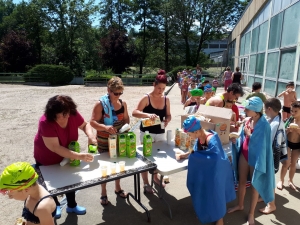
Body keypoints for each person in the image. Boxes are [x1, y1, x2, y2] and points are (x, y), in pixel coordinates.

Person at [34, 95, 95, 218]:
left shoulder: (71, 112)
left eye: (68, 113)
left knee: (71, 179)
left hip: (68, 153)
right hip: (47, 157)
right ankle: (55, 206)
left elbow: (84, 125)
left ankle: (72, 206)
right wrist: (79, 156)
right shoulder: (45, 122)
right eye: (63, 114)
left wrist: (90, 136)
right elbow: (56, 148)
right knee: (51, 185)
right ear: (53, 114)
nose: (67, 116)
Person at [179, 116, 235, 225]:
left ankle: (220, 219)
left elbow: (216, 159)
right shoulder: (200, 137)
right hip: (207, 172)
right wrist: (186, 155)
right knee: (203, 191)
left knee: (216, 194)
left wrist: (195, 157)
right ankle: (205, 212)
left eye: (190, 134)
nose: (190, 137)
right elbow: (196, 150)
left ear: (196, 131)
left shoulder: (211, 139)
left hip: (216, 172)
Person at [228, 97, 275, 225]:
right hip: (244, 154)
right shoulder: (248, 120)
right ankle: (240, 205)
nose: (245, 110)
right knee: (241, 182)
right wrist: (235, 140)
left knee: (255, 187)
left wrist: (249, 135)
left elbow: (264, 145)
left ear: (255, 111)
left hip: (256, 158)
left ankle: (251, 213)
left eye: (247, 109)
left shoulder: (264, 125)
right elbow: (242, 138)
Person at [90, 76, 129, 205]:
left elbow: (126, 119)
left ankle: (117, 187)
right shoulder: (100, 104)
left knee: (119, 165)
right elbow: (92, 122)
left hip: (118, 140)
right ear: (108, 90)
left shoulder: (123, 104)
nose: (117, 95)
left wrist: (126, 127)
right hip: (103, 141)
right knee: (104, 169)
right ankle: (103, 192)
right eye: (115, 93)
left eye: (120, 93)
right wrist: (105, 127)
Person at [132, 70, 172, 193]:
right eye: (159, 88)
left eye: (163, 88)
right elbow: (135, 112)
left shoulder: (166, 99)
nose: (161, 91)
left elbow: (169, 115)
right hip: (147, 133)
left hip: (160, 133)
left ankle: (155, 177)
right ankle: (145, 183)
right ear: (154, 85)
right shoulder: (146, 98)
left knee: (158, 158)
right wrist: (148, 115)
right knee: (146, 157)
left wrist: (167, 120)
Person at [260, 98, 288, 214]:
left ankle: (271, 204)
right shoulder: (274, 119)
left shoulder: (275, 124)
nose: (264, 112)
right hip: (271, 154)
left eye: (265, 109)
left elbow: (268, 142)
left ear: (269, 109)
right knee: (267, 179)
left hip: (271, 156)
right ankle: (266, 196)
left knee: (270, 179)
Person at [280, 101, 300, 191]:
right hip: (288, 143)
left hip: (297, 145)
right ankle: (281, 180)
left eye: (296, 111)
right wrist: (288, 130)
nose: (293, 113)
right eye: (292, 111)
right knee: (286, 163)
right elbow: (283, 131)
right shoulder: (290, 119)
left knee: (293, 164)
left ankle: (290, 180)